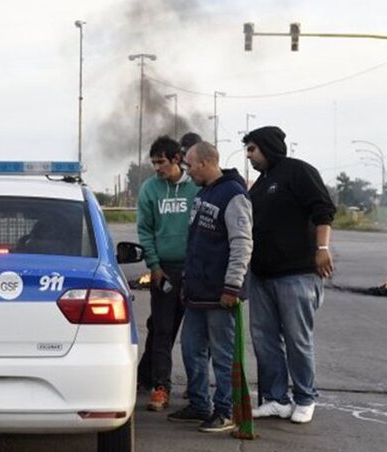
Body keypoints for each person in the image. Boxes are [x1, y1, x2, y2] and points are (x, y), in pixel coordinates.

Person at [243, 126, 336, 424]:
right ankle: (275, 398)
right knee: (264, 339)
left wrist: (322, 247)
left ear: (268, 148)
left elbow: (323, 210)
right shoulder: (259, 184)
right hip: (262, 275)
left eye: (252, 150)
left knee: (297, 338)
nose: (249, 156)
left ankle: (305, 398)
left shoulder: (299, 172)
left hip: (296, 273)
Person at [170, 141, 253, 431]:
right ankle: (199, 404)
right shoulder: (205, 192)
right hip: (197, 292)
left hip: (221, 295)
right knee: (192, 350)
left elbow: (242, 243)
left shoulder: (234, 195)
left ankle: (226, 411)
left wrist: (232, 286)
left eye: (190, 165)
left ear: (204, 163)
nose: (187, 171)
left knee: (223, 355)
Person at [136, 135, 200, 411]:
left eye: (161, 162)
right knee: (162, 330)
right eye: (153, 163)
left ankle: (198, 388)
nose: (157, 168)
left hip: (196, 271)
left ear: (177, 159)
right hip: (165, 271)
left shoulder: (196, 188)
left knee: (197, 334)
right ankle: (160, 387)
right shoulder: (150, 189)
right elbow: (145, 231)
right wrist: (154, 265)